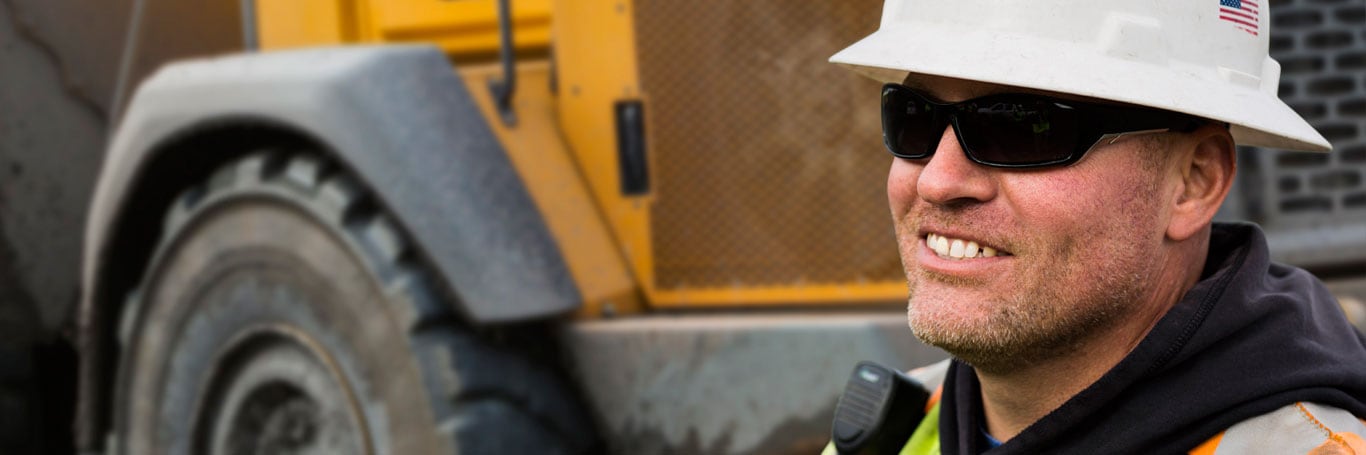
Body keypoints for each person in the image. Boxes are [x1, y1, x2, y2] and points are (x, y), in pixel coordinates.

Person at [823, 0, 1366, 453]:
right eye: (913, 118)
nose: (938, 182)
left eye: (1022, 128)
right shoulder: (905, 423)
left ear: (1194, 181)